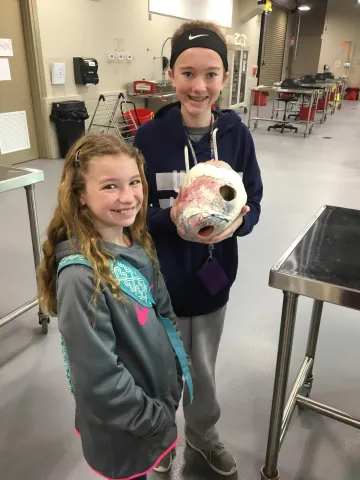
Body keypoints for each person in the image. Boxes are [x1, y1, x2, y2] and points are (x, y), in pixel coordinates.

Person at [133, 20, 263, 476]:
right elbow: (131, 218)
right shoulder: (147, 140)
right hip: (157, 287)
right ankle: (162, 445)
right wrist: (168, 220)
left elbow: (255, 202)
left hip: (211, 283)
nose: (199, 85)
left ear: (225, 78)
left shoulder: (236, 137)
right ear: (171, 75)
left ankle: (203, 438)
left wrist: (237, 225)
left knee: (202, 372)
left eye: (211, 74)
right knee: (159, 373)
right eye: (188, 73)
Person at [37, 133, 193, 480]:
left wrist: (176, 371)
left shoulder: (133, 237)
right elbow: (100, 383)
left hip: (155, 402)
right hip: (126, 427)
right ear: (79, 195)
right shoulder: (81, 277)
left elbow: (162, 311)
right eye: (110, 186)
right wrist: (155, 422)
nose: (128, 197)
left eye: (134, 182)